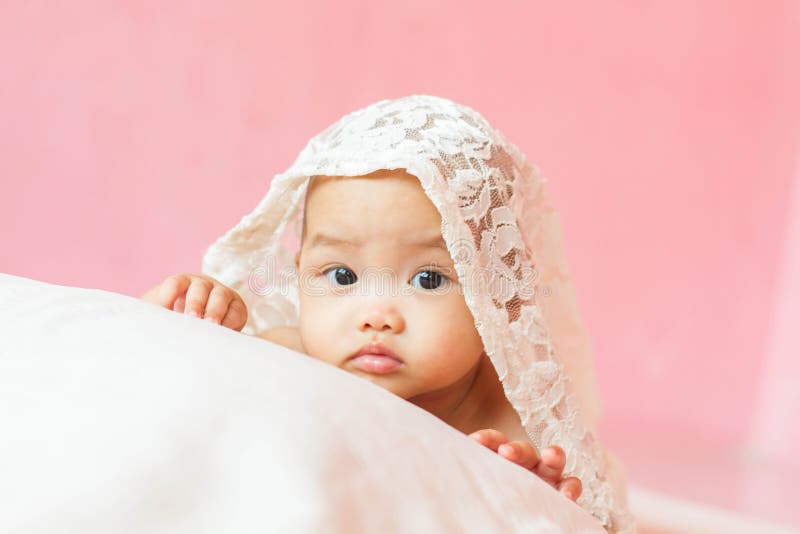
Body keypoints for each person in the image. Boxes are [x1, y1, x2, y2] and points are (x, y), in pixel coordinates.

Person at [142, 95, 633, 532]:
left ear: (498, 297)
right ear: (299, 274)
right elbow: (160, 391)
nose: (376, 316)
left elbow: (593, 519)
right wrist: (186, 314)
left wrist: (531, 503)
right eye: (341, 276)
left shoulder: (508, 431)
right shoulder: (286, 356)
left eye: (428, 279)